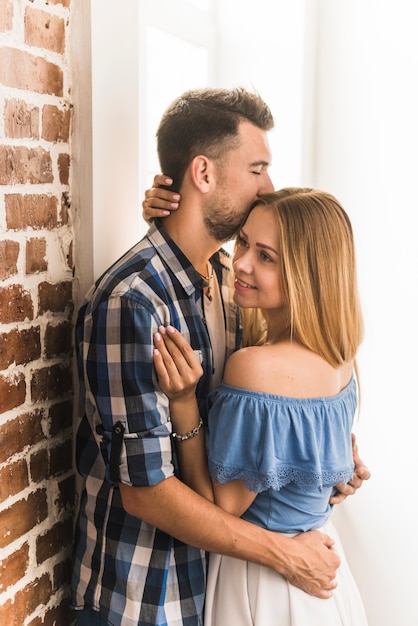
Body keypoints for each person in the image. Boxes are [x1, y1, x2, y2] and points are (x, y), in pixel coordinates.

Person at [72, 87, 369, 626]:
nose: (269, 185)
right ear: (204, 174)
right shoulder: (134, 302)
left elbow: (259, 430)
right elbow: (148, 494)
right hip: (147, 599)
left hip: (219, 583)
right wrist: (283, 551)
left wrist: (319, 468)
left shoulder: (230, 284)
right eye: (257, 168)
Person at [152, 187, 369, 625]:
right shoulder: (342, 358)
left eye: (266, 257)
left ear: (309, 273)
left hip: (264, 584)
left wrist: (183, 405)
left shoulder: (256, 368)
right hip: (323, 580)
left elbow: (218, 507)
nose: (242, 263)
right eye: (244, 242)